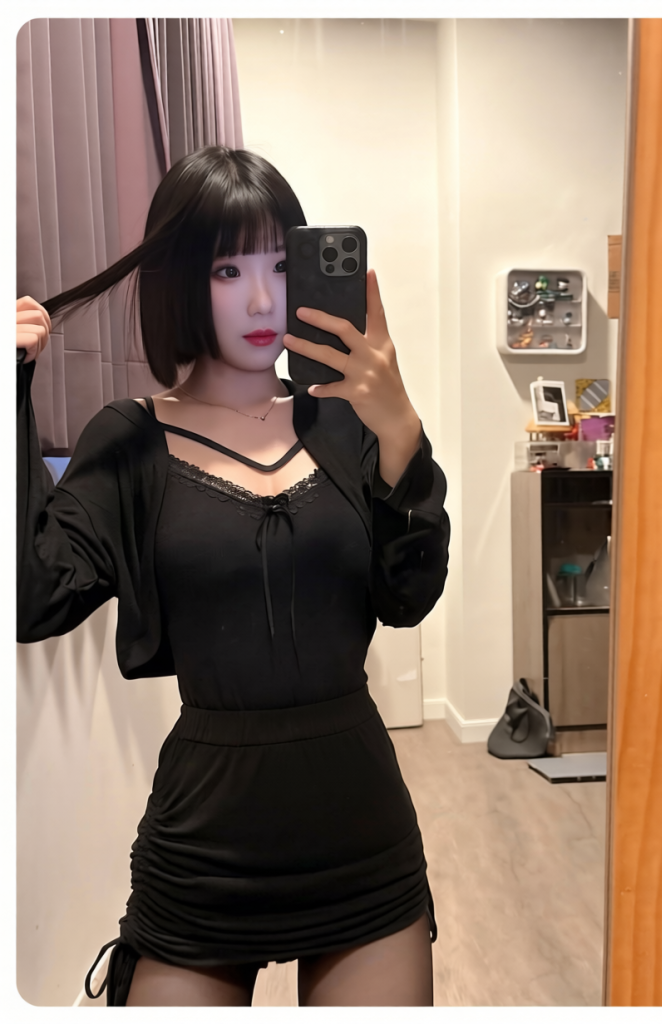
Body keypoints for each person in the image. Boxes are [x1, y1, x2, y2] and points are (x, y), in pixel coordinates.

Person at [17, 146, 450, 1007]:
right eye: (227, 270)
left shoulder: (346, 423)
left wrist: (400, 431)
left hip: (359, 831)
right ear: (182, 280)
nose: (261, 300)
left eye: (282, 266)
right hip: (204, 846)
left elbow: (408, 600)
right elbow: (35, 600)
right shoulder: (130, 439)